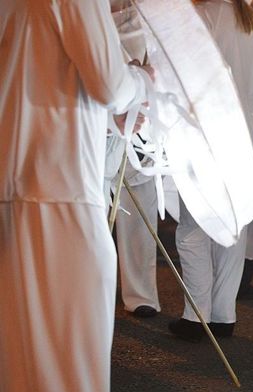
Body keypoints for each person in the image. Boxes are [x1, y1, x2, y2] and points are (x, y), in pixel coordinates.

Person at [0, 0, 150, 392]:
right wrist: (141, 81)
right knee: (69, 371)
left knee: (19, 369)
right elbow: (108, 82)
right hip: (61, 194)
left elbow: (35, 72)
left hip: (15, 187)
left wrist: (105, 117)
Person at [168, 0, 253, 341]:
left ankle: (196, 315)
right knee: (233, 226)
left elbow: (189, 76)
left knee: (193, 228)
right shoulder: (250, 19)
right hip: (246, 138)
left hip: (207, 133)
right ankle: (223, 314)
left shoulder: (201, 15)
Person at [105, 0, 162, 319]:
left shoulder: (149, 16)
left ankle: (140, 295)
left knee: (140, 210)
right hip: (99, 125)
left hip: (138, 129)